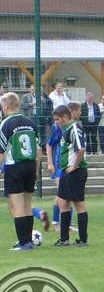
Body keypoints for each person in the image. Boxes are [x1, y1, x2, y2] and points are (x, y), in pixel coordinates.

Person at [0, 92, 40, 251]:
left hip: (15, 166)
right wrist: (37, 169)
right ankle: (28, 241)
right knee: (27, 203)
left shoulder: (5, 124)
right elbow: (38, 149)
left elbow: (0, 150)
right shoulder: (31, 123)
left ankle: (23, 242)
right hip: (31, 165)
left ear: (5, 106)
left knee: (17, 204)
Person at [52, 105, 89, 246]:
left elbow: (81, 149)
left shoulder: (74, 128)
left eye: (57, 119)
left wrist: (74, 166)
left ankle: (82, 239)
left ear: (65, 117)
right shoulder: (66, 129)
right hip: (66, 172)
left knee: (78, 204)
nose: (56, 122)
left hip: (74, 172)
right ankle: (64, 238)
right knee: (63, 202)